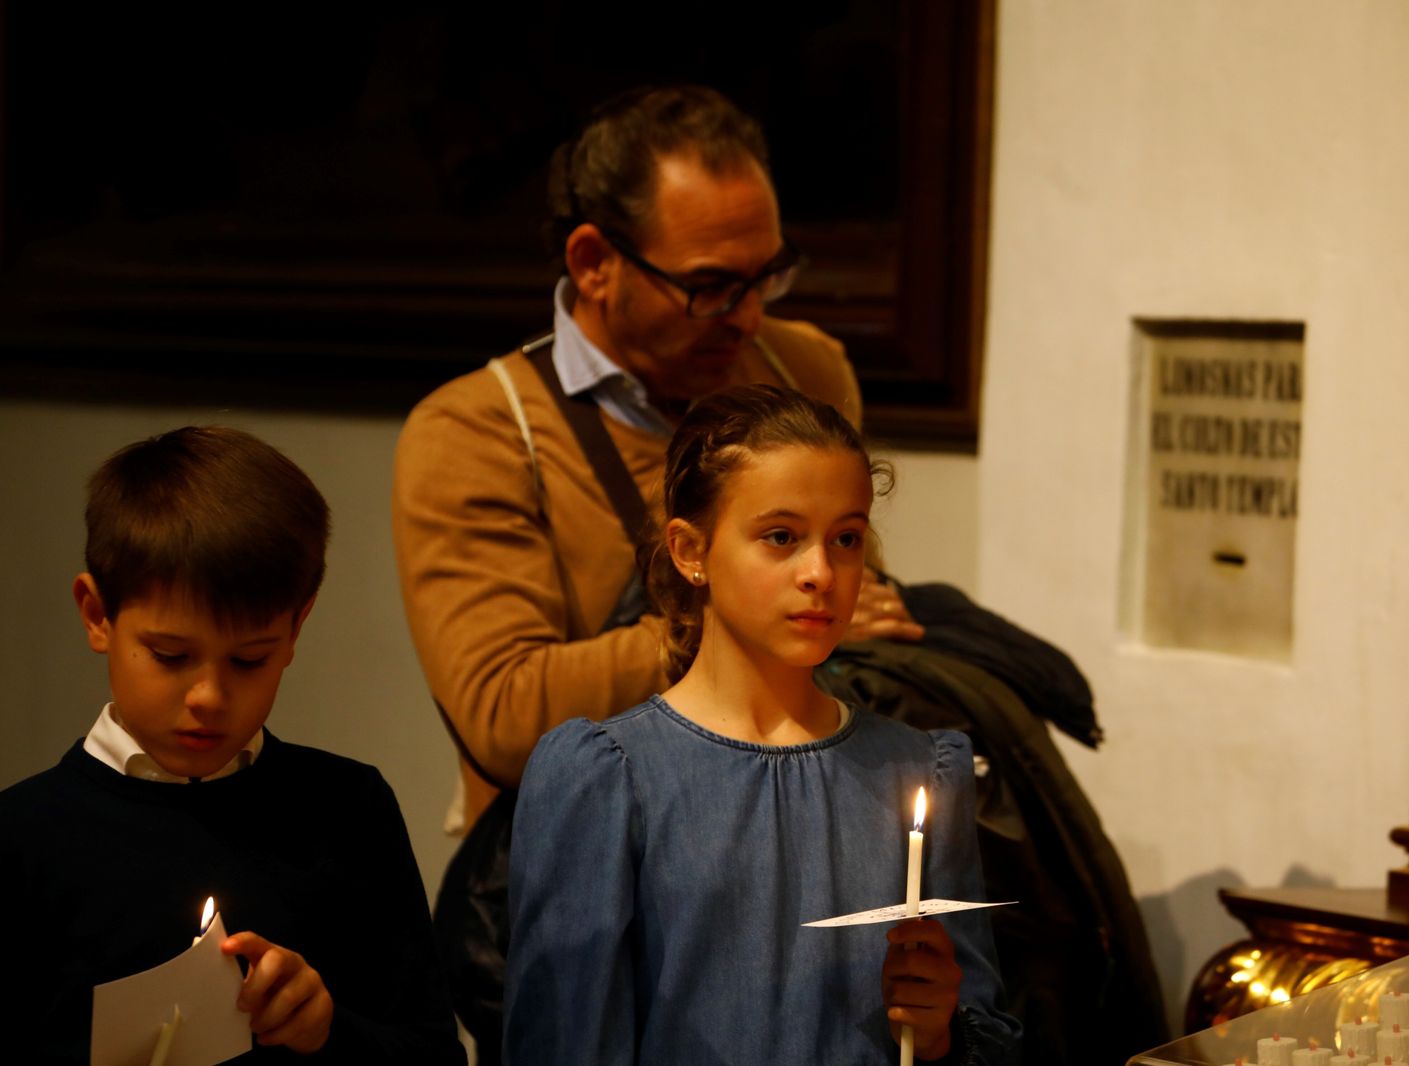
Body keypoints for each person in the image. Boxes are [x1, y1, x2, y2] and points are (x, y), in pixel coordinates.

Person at [391, 85, 922, 841]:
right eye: (709, 287)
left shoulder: (802, 366)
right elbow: (503, 718)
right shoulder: (477, 431)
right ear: (594, 261)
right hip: (594, 850)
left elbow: (843, 611)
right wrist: (732, 617)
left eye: (765, 276)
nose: (745, 315)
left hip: (794, 822)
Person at [503, 385, 1020, 1063]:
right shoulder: (612, 779)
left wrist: (939, 1034)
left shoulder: (918, 772)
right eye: (781, 537)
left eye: (847, 539)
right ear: (691, 551)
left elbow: (983, 1029)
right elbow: (566, 1041)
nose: (820, 573)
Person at [0, 427, 464, 1065]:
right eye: (170, 656)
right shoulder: (23, 837)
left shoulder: (347, 810)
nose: (210, 697)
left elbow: (431, 1052)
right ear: (97, 614)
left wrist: (327, 1029)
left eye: (249, 660)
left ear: (297, 626)